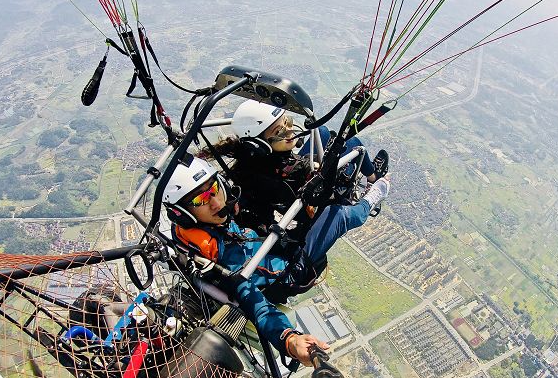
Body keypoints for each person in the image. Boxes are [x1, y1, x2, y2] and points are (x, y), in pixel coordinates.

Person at [162, 156, 390, 366]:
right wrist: (289, 340)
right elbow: (256, 305)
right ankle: (373, 197)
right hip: (292, 272)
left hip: (275, 247)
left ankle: (366, 174)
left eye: (212, 189)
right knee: (337, 216)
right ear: (183, 212)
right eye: (200, 198)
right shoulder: (222, 264)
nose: (214, 202)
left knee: (323, 136)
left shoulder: (199, 232)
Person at [201, 100, 388, 233]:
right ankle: (374, 178)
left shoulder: (249, 162)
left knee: (321, 132)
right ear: (260, 144)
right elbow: (310, 174)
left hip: (285, 179)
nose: (290, 130)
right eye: (279, 131)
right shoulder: (300, 169)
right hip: (308, 201)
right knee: (354, 143)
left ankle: (372, 175)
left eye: (287, 122)